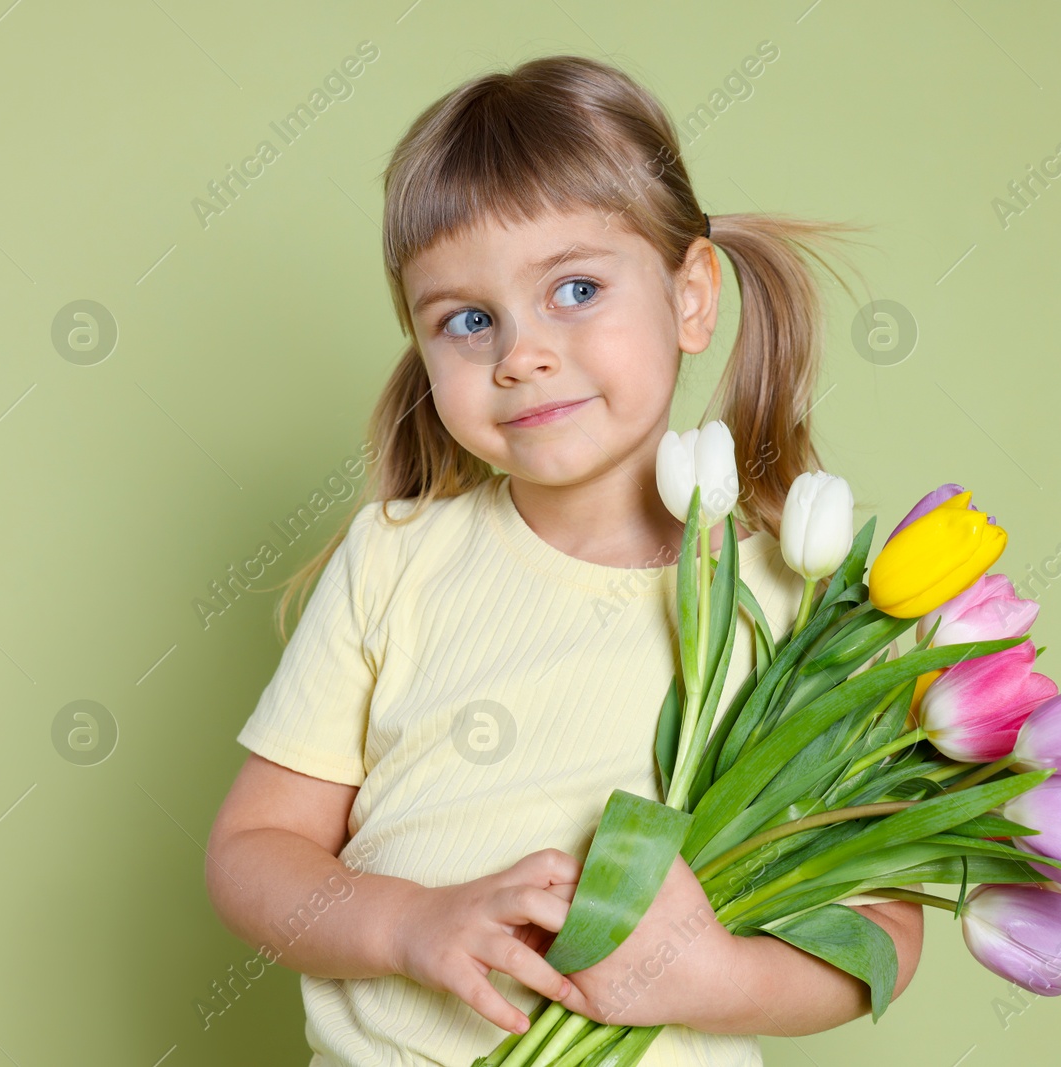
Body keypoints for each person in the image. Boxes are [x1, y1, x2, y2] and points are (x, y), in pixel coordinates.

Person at [204, 53, 923, 1067]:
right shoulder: (394, 561)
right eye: (468, 319)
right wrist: (408, 924)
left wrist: (715, 978)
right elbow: (251, 855)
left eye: (575, 288)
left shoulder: (805, 609)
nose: (519, 352)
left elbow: (880, 930)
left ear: (690, 298)